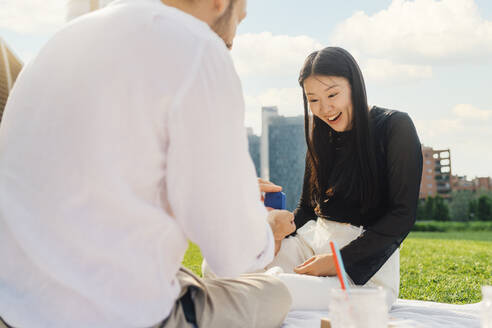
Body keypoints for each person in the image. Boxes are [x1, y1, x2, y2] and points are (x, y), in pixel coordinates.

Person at [0, 0, 295, 327]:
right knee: (275, 293)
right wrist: (268, 229)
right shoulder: (198, 48)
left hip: (14, 307)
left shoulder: (60, 41)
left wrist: (218, 190)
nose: (233, 37)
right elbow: (234, 256)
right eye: (240, 17)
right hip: (113, 316)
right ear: (220, 2)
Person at [266, 46, 423, 306]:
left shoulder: (395, 126)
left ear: (354, 85)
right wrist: (276, 236)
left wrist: (338, 261)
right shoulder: (320, 132)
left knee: (273, 288)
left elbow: (402, 215)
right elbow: (307, 209)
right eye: (313, 99)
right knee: (230, 265)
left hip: (366, 272)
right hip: (314, 245)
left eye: (332, 94)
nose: (325, 108)